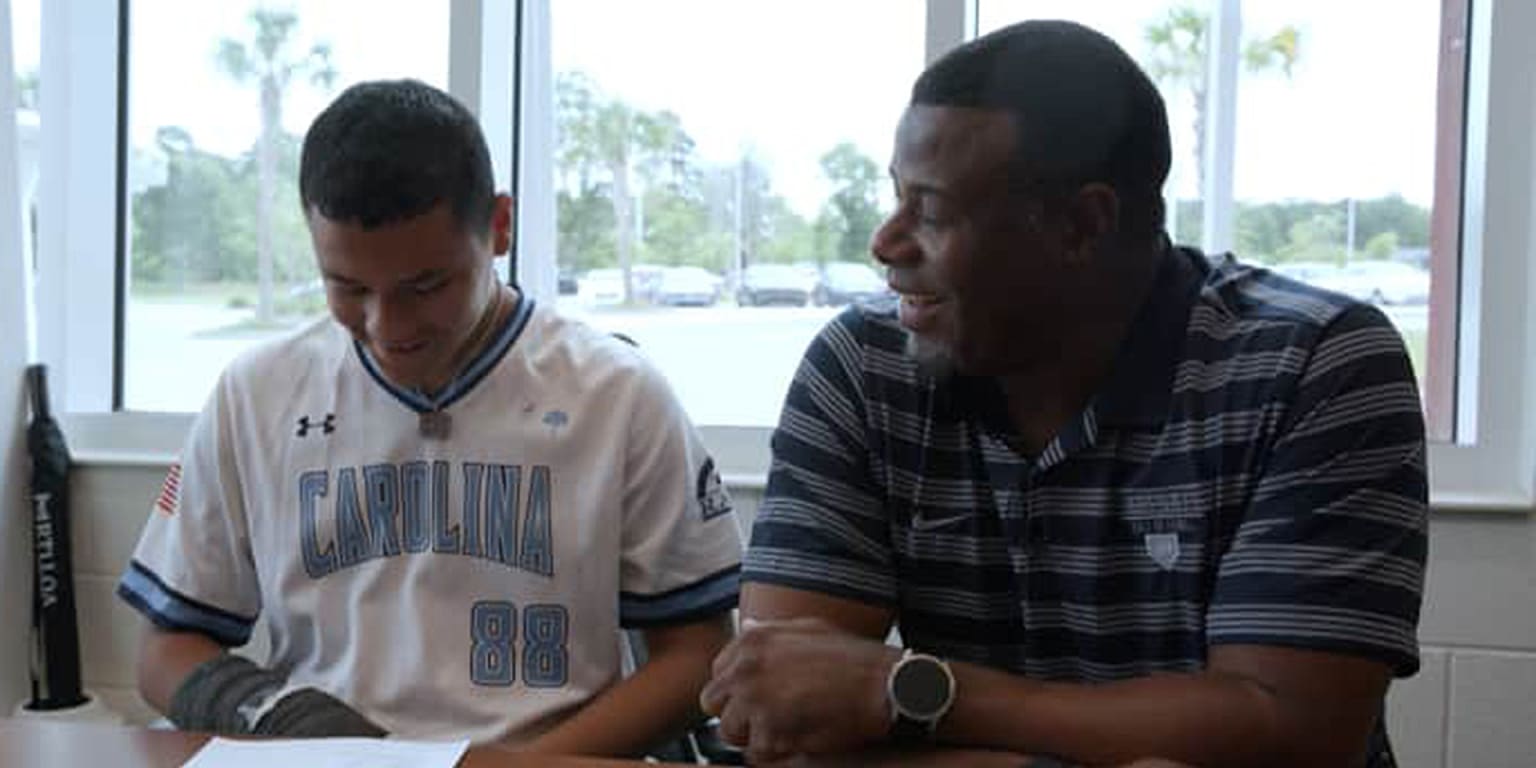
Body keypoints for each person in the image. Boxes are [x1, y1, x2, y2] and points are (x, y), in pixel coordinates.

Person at [701, 20, 1427, 768]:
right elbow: (775, 715)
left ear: (1083, 225)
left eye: (932, 210)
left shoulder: (1314, 363)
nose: (885, 243)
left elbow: (1298, 734)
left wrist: (908, 690)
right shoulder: (863, 364)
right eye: (895, 197)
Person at [116, 79, 743, 755]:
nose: (387, 328)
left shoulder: (618, 395)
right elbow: (165, 650)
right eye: (348, 288)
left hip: (548, 753)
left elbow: (697, 652)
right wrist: (282, 716)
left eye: (427, 286)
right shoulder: (256, 392)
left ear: (498, 227)